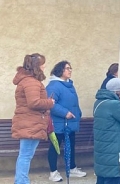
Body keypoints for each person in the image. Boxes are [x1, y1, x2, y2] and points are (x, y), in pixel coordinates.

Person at [12, 53, 55, 184]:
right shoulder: (31, 82)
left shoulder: (27, 80)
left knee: (25, 155)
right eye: (43, 64)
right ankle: (21, 181)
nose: (45, 66)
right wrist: (50, 102)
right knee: (26, 155)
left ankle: (20, 181)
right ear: (37, 66)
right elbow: (34, 102)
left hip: (28, 122)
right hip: (31, 123)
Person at [46, 60, 86, 182]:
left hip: (70, 123)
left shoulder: (69, 84)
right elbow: (51, 104)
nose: (70, 70)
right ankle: (53, 172)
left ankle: (72, 168)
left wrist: (78, 112)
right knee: (55, 148)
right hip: (58, 124)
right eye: (67, 68)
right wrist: (65, 113)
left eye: (70, 68)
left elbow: (73, 102)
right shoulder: (53, 86)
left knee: (71, 146)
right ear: (60, 71)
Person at [93, 78, 120, 184]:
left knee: (103, 178)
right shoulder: (114, 105)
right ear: (119, 91)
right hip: (114, 150)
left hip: (103, 149)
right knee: (114, 178)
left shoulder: (99, 102)